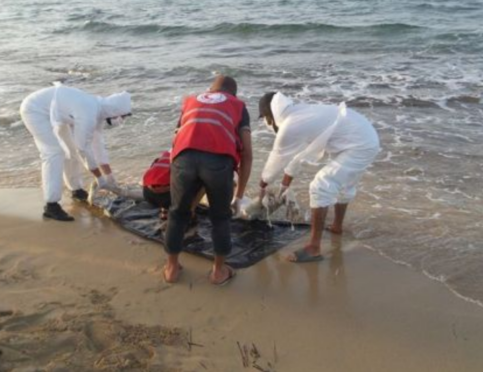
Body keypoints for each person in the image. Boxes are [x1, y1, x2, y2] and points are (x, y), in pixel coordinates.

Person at [258, 92, 380, 262]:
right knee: (344, 185)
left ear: (269, 115)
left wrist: (263, 184)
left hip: (360, 144)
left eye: (265, 118)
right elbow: (297, 156)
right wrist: (284, 186)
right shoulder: (298, 114)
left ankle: (314, 248)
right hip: (362, 137)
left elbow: (276, 159)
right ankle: (337, 227)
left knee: (320, 186)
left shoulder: (290, 125)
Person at [163, 75, 253, 285]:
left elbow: (175, 140)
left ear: (210, 90)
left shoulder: (191, 101)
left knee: (177, 214)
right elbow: (247, 153)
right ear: (233, 94)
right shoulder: (238, 105)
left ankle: (172, 269)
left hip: (183, 158)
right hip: (218, 161)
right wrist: (239, 196)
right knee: (220, 217)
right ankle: (218, 272)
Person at [20, 83, 132, 222]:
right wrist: (100, 178)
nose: (122, 120)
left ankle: (76, 190)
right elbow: (83, 149)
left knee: (70, 149)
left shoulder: (99, 111)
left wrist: (110, 178)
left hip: (58, 111)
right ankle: (51, 205)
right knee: (54, 152)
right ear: (115, 112)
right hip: (35, 110)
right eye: (123, 117)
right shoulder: (89, 112)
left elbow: (98, 147)